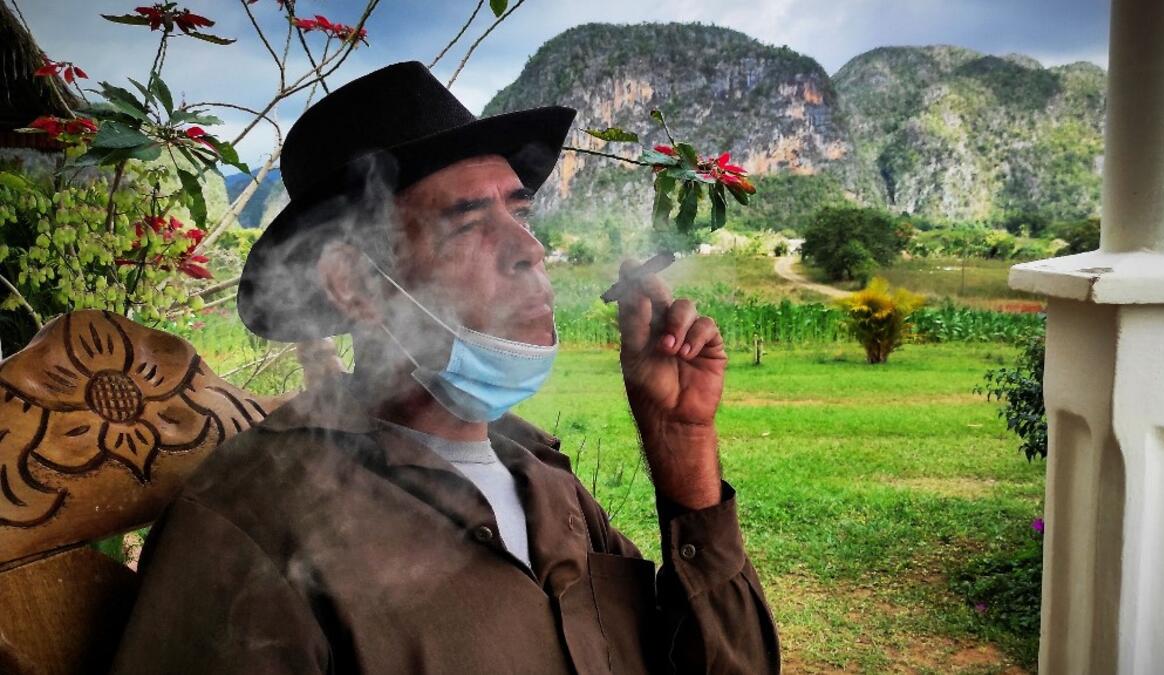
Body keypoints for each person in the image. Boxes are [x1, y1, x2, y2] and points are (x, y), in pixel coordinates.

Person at [110, 61, 779, 674]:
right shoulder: (251, 527)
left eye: (519, 212)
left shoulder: (548, 482)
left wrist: (683, 450)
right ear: (353, 284)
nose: (528, 250)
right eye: (467, 223)